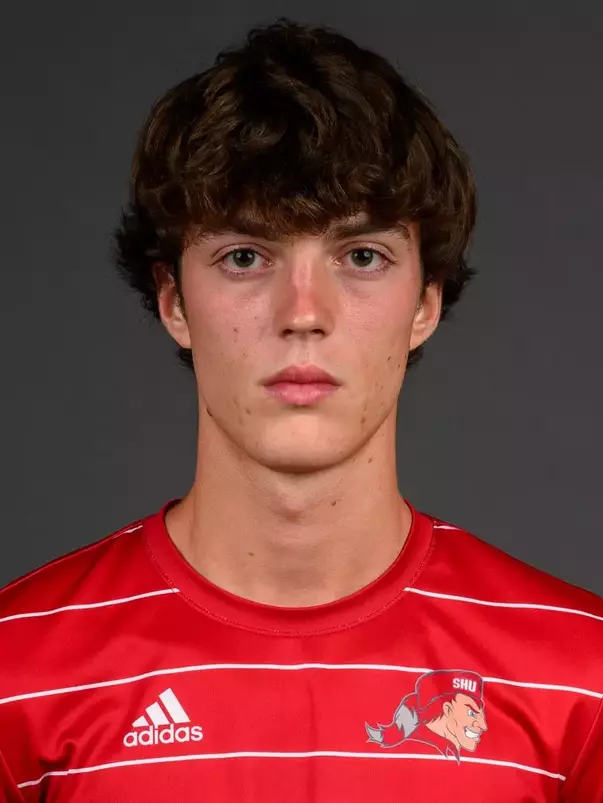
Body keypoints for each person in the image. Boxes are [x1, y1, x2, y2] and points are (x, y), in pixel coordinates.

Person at [0, 17, 601, 803]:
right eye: (245, 256)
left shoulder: (580, 677)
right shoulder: (18, 672)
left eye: (361, 256)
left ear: (425, 302)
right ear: (175, 301)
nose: (303, 311)